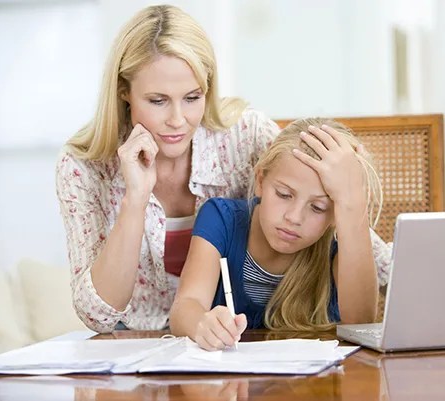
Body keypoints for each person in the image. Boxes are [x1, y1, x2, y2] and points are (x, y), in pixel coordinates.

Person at [55, 5, 279, 333]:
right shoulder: (83, 167)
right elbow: (98, 317)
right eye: (158, 101)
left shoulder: (246, 137)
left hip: (231, 340)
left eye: (192, 97)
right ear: (123, 91)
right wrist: (136, 198)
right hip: (133, 348)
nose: (177, 120)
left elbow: (370, 257)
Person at [169, 118, 389, 351]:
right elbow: (186, 306)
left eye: (318, 208)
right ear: (261, 181)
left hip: (317, 385)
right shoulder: (222, 220)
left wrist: (352, 204)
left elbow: (361, 323)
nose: (294, 217)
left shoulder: (339, 242)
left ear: (336, 214)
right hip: (231, 383)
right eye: (284, 194)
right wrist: (201, 324)